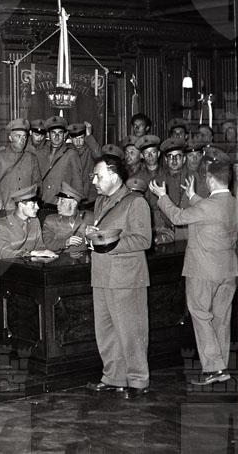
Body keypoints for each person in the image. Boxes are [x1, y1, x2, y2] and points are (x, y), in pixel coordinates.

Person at [149, 160, 238, 385]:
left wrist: (162, 196)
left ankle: (214, 368)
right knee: (221, 318)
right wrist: (191, 196)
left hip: (203, 271)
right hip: (228, 270)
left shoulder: (208, 206)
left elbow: (178, 217)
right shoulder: (234, 203)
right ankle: (221, 367)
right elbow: (209, 211)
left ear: (210, 180)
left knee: (200, 314)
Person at [86, 154, 152, 399]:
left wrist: (108, 244)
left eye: (98, 176)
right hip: (102, 276)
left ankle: (138, 380)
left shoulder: (135, 202)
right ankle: (114, 377)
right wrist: (92, 235)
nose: (94, 181)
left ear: (114, 175)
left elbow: (144, 240)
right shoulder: (100, 202)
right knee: (106, 332)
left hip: (126, 278)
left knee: (131, 331)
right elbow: (103, 233)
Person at [0, 118, 41, 211]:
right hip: (4, 205)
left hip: (24, 208)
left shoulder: (32, 158)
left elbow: (37, 183)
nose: (22, 140)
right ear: (10, 138)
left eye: (24, 137)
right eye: (18, 136)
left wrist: (33, 202)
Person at [36, 115, 82, 208]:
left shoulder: (71, 154)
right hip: (42, 204)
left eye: (60, 133)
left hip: (61, 205)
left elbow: (77, 183)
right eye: (53, 133)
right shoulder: (40, 153)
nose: (56, 136)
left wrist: (74, 206)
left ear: (65, 135)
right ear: (48, 135)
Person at [0, 185, 44, 259]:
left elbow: (40, 247)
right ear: (21, 205)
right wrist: (32, 253)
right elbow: (5, 253)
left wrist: (46, 253)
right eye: (33, 205)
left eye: (37, 204)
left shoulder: (35, 221)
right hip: (9, 264)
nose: (37, 207)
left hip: (32, 264)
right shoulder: (1, 225)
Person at [42, 182, 94, 252]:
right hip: (59, 258)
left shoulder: (88, 217)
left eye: (62, 200)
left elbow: (99, 242)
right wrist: (66, 242)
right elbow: (46, 244)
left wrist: (91, 237)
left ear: (74, 203)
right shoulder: (50, 220)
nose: (57, 203)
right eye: (58, 200)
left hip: (83, 257)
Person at [67, 121, 99, 204]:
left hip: (89, 196)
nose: (78, 142)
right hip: (72, 195)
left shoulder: (90, 148)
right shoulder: (67, 150)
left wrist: (89, 136)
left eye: (81, 138)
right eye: (75, 139)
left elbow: (98, 155)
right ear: (70, 138)